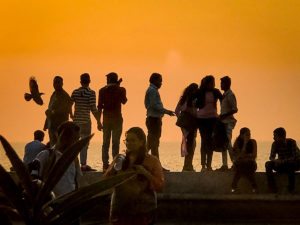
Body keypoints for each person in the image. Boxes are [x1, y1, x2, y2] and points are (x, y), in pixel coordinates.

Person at [103, 127, 164, 225]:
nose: (129, 143)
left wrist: (145, 173)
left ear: (141, 142)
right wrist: (114, 169)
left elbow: (159, 185)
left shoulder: (152, 161)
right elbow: (106, 180)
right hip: (120, 211)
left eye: (133, 140)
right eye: (127, 140)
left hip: (144, 211)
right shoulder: (120, 159)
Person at [32, 121, 82, 197]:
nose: (78, 142)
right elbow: (33, 181)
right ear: (64, 138)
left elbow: (77, 182)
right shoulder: (46, 155)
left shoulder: (74, 159)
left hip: (69, 204)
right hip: (53, 205)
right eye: (75, 139)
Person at [145, 73, 175, 171]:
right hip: (154, 120)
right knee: (154, 144)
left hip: (152, 119)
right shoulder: (153, 91)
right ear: (154, 80)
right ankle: (156, 167)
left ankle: (145, 163)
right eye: (160, 80)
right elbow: (154, 105)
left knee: (150, 144)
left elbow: (147, 105)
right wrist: (166, 111)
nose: (161, 83)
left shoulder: (151, 90)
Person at [71, 73, 102, 171]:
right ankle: (83, 164)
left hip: (76, 122)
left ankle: (74, 164)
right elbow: (93, 108)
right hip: (86, 123)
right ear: (89, 81)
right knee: (84, 144)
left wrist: (71, 115)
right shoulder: (91, 93)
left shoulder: (75, 92)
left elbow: (69, 104)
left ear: (80, 81)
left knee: (75, 144)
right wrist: (99, 121)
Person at [98, 72, 127, 171]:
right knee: (115, 143)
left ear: (109, 80)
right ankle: (114, 165)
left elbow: (99, 107)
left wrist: (98, 121)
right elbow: (124, 101)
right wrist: (119, 87)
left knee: (105, 143)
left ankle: (105, 164)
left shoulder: (102, 91)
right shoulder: (121, 90)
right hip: (117, 119)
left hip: (106, 119)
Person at [195, 75, 222, 171]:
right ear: (206, 84)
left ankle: (209, 165)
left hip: (213, 119)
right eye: (211, 83)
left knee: (210, 141)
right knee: (204, 140)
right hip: (202, 119)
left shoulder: (216, 92)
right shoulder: (200, 92)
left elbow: (223, 100)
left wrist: (221, 115)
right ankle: (203, 165)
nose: (213, 85)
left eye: (214, 83)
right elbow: (192, 101)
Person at [265, 127, 300, 193]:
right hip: (282, 164)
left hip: (293, 164)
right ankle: (272, 188)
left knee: (291, 165)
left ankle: (291, 189)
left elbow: (295, 157)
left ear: (282, 137)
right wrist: (276, 161)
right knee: (268, 164)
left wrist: (282, 161)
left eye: (275, 136)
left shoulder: (291, 142)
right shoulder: (275, 144)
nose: (273, 138)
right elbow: (271, 157)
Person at [216, 76, 238, 171]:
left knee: (228, 143)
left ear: (227, 84)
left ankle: (235, 163)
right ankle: (224, 164)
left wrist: (224, 115)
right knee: (224, 143)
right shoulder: (224, 94)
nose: (221, 85)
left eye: (222, 83)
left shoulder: (230, 95)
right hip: (223, 122)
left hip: (228, 122)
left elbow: (235, 109)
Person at [175, 83, 198, 172]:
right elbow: (194, 112)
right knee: (191, 144)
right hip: (191, 122)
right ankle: (188, 166)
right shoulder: (193, 100)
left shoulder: (183, 98)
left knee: (188, 143)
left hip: (184, 123)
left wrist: (181, 120)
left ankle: (187, 165)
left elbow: (177, 111)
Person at [44, 76, 72, 147]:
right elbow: (50, 109)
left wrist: (53, 112)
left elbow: (67, 109)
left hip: (60, 126)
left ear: (62, 84)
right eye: (55, 82)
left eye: (58, 82)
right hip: (52, 125)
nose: (56, 84)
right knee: (53, 145)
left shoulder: (65, 95)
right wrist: (46, 123)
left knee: (60, 146)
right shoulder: (53, 94)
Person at [231, 127, 258, 193]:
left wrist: (244, 157)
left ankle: (233, 187)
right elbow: (239, 157)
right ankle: (254, 187)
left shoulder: (253, 142)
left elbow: (254, 155)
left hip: (250, 164)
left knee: (243, 167)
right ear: (241, 135)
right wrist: (245, 144)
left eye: (249, 134)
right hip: (240, 164)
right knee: (242, 166)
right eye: (247, 135)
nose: (249, 136)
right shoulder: (237, 143)